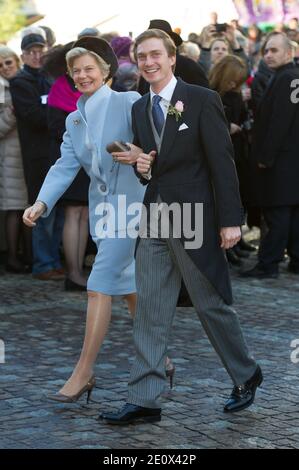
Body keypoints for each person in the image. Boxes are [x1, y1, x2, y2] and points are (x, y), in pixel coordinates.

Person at [101, 29, 262, 425]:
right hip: (155, 216)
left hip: (194, 219)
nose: (148, 62)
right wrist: (142, 165)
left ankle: (245, 374)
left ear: (172, 58)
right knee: (151, 310)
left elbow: (223, 163)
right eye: (142, 56)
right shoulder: (140, 108)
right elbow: (151, 169)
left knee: (210, 304)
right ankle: (145, 398)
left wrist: (230, 220)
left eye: (156, 54)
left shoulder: (202, 100)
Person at [23, 36, 145, 403]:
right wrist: (42, 203)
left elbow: (150, 146)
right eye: (75, 71)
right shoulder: (75, 119)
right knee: (128, 290)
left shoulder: (129, 101)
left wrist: (135, 153)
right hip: (103, 216)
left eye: (89, 68)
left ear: (106, 71)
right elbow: (65, 166)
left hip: (134, 210)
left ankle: (84, 371)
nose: (81, 75)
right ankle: (160, 356)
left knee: (97, 285)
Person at [242, 32, 299, 278]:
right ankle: (295, 260)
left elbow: (280, 122)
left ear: (289, 53)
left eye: (274, 50)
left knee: (277, 212)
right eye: (266, 50)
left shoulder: (287, 77)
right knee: (291, 212)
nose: (268, 55)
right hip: (288, 157)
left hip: (280, 159)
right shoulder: (287, 76)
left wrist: (266, 156)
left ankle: (268, 263)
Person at [10, 33, 65, 281]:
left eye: (40, 49)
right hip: (37, 156)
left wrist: (52, 108)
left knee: (58, 211)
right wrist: (54, 109)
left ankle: (53, 260)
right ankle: (43, 264)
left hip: (56, 152)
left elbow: (59, 109)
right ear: (23, 55)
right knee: (43, 210)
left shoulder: (50, 77)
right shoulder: (20, 82)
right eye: (31, 51)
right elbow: (34, 115)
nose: (36, 54)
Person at [42, 42, 90, 291]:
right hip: (69, 160)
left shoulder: (87, 88)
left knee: (83, 216)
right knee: (73, 215)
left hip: (87, 162)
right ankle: (72, 273)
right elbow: (55, 128)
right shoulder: (60, 88)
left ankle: (79, 271)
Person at [0, 46, 31, 273]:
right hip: (9, 157)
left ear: (16, 61)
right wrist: (11, 114)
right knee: (14, 207)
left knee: (26, 206)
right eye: (0, 66)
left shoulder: (23, 82)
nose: (5, 68)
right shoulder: (2, 91)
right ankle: (12, 256)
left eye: (8, 62)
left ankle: (25, 254)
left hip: (25, 154)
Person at [137, 19, 209, 95]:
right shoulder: (147, 70)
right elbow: (143, 97)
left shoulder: (189, 66)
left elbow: (204, 98)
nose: (149, 63)